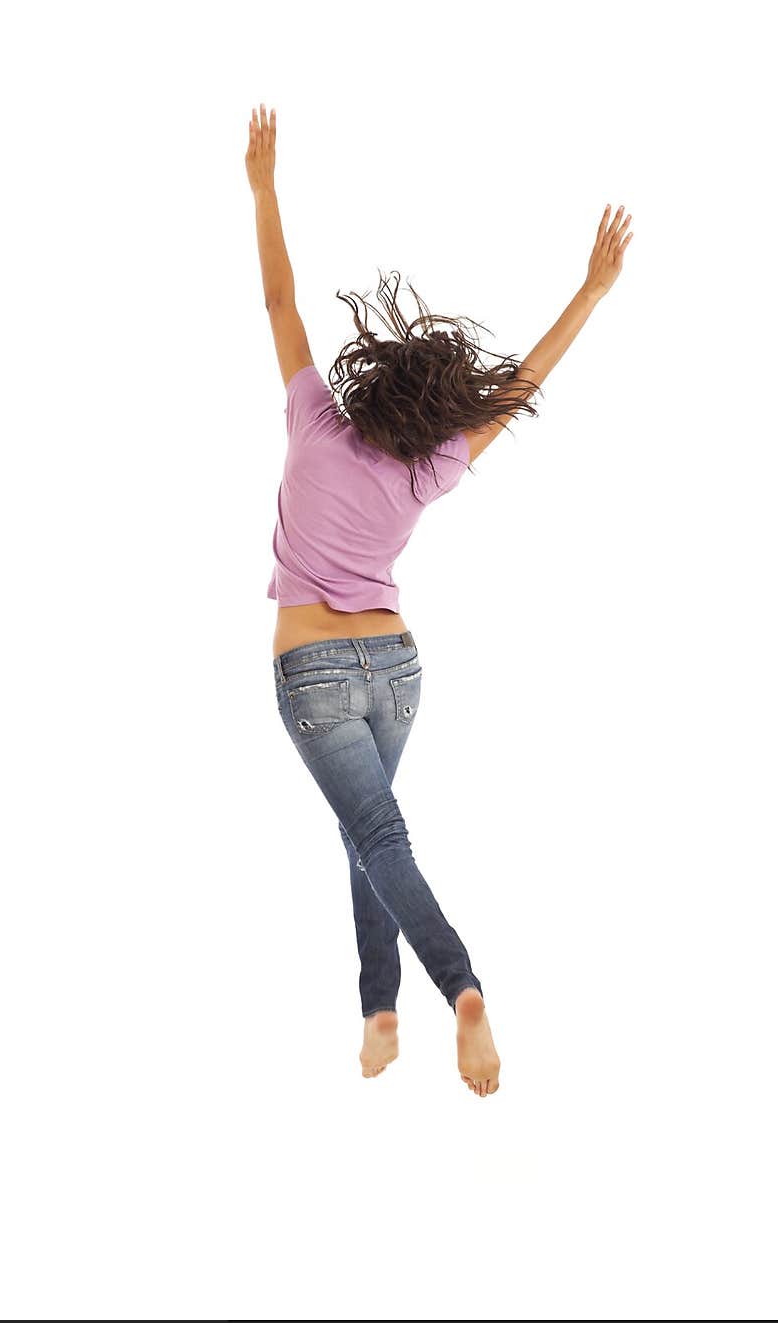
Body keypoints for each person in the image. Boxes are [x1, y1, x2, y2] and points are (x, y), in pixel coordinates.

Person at [246, 103, 633, 1097]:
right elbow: (518, 386)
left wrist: (262, 187)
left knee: (376, 835)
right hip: (397, 669)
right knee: (364, 832)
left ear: (369, 378)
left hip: (317, 671)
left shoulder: (311, 416)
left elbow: (281, 295)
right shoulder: (430, 468)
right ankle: (380, 1009)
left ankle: (458, 988)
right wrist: (590, 289)